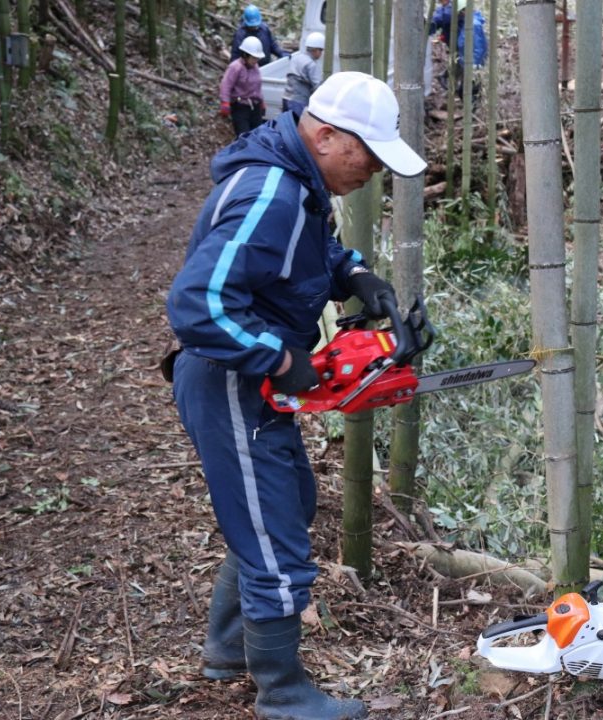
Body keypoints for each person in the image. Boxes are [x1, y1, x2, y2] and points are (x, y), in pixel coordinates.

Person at [166, 71, 425, 720]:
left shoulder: (298, 186)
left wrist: (358, 275)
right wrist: (280, 358)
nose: (371, 170)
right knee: (274, 526)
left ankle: (229, 651)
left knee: (288, 503)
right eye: (366, 154)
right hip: (229, 376)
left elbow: (309, 255)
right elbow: (196, 304)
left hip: (246, 376)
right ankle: (282, 694)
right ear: (328, 134)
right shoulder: (271, 192)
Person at [428, 0, 487, 99]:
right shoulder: (459, 17)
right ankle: (448, 79)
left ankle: (469, 102)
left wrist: (474, 66)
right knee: (463, 79)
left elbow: (478, 48)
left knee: (469, 87)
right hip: (463, 54)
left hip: (470, 60)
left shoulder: (472, 24)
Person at [219, 36, 266, 136]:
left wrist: (262, 102)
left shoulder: (255, 67)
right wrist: (225, 102)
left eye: (257, 58)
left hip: (255, 107)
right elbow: (226, 85)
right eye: (253, 58)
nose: (255, 61)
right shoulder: (235, 67)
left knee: (257, 135)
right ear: (245, 55)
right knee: (243, 136)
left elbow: (257, 86)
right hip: (241, 107)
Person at [282, 31, 325, 116]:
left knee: (286, 125)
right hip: (299, 101)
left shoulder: (296, 58)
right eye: (321, 50)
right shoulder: (311, 64)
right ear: (316, 50)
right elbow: (317, 86)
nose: (321, 54)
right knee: (297, 127)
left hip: (286, 98)